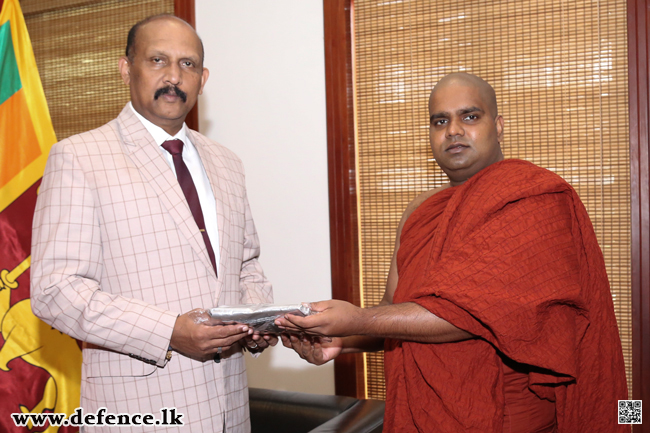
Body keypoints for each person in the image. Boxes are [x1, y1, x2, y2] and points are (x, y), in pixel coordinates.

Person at [277, 72, 629, 432]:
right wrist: (340, 341)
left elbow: (468, 314)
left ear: (499, 124)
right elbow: (391, 309)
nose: (454, 130)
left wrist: (356, 319)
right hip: (422, 416)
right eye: (440, 120)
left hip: (509, 420)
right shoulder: (419, 211)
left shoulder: (531, 198)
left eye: (470, 116)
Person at [30, 14, 275, 432]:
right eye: (158, 60)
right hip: (140, 411)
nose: (174, 77)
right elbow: (55, 290)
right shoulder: (79, 157)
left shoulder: (227, 162)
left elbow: (245, 263)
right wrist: (169, 331)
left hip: (229, 409)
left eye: (188, 64)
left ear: (203, 78)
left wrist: (257, 319)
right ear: (127, 68)